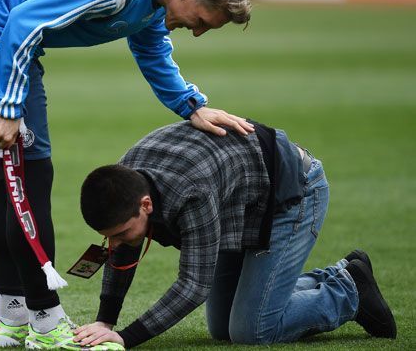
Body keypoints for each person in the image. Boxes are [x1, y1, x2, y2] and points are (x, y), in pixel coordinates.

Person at [0, 0, 254, 348]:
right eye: (201, 21)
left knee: (11, 183)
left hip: (3, 41)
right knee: (29, 180)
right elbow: (25, 21)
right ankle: (46, 322)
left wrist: (191, 105)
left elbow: (151, 47)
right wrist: (10, 106)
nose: (196, 32)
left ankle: (13, 316)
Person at [76, 120, 397, 348]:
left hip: (290, 196)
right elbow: (122, 251)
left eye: (119, 233)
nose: (114, 244)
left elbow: (193, 286)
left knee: (253, 329)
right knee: (222, 327)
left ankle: (349, 290)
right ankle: (337, 276)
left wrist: (126, 338)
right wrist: (105, 321)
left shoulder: (191, 193)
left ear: (146, 204)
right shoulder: (123, 182)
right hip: (238, 205)